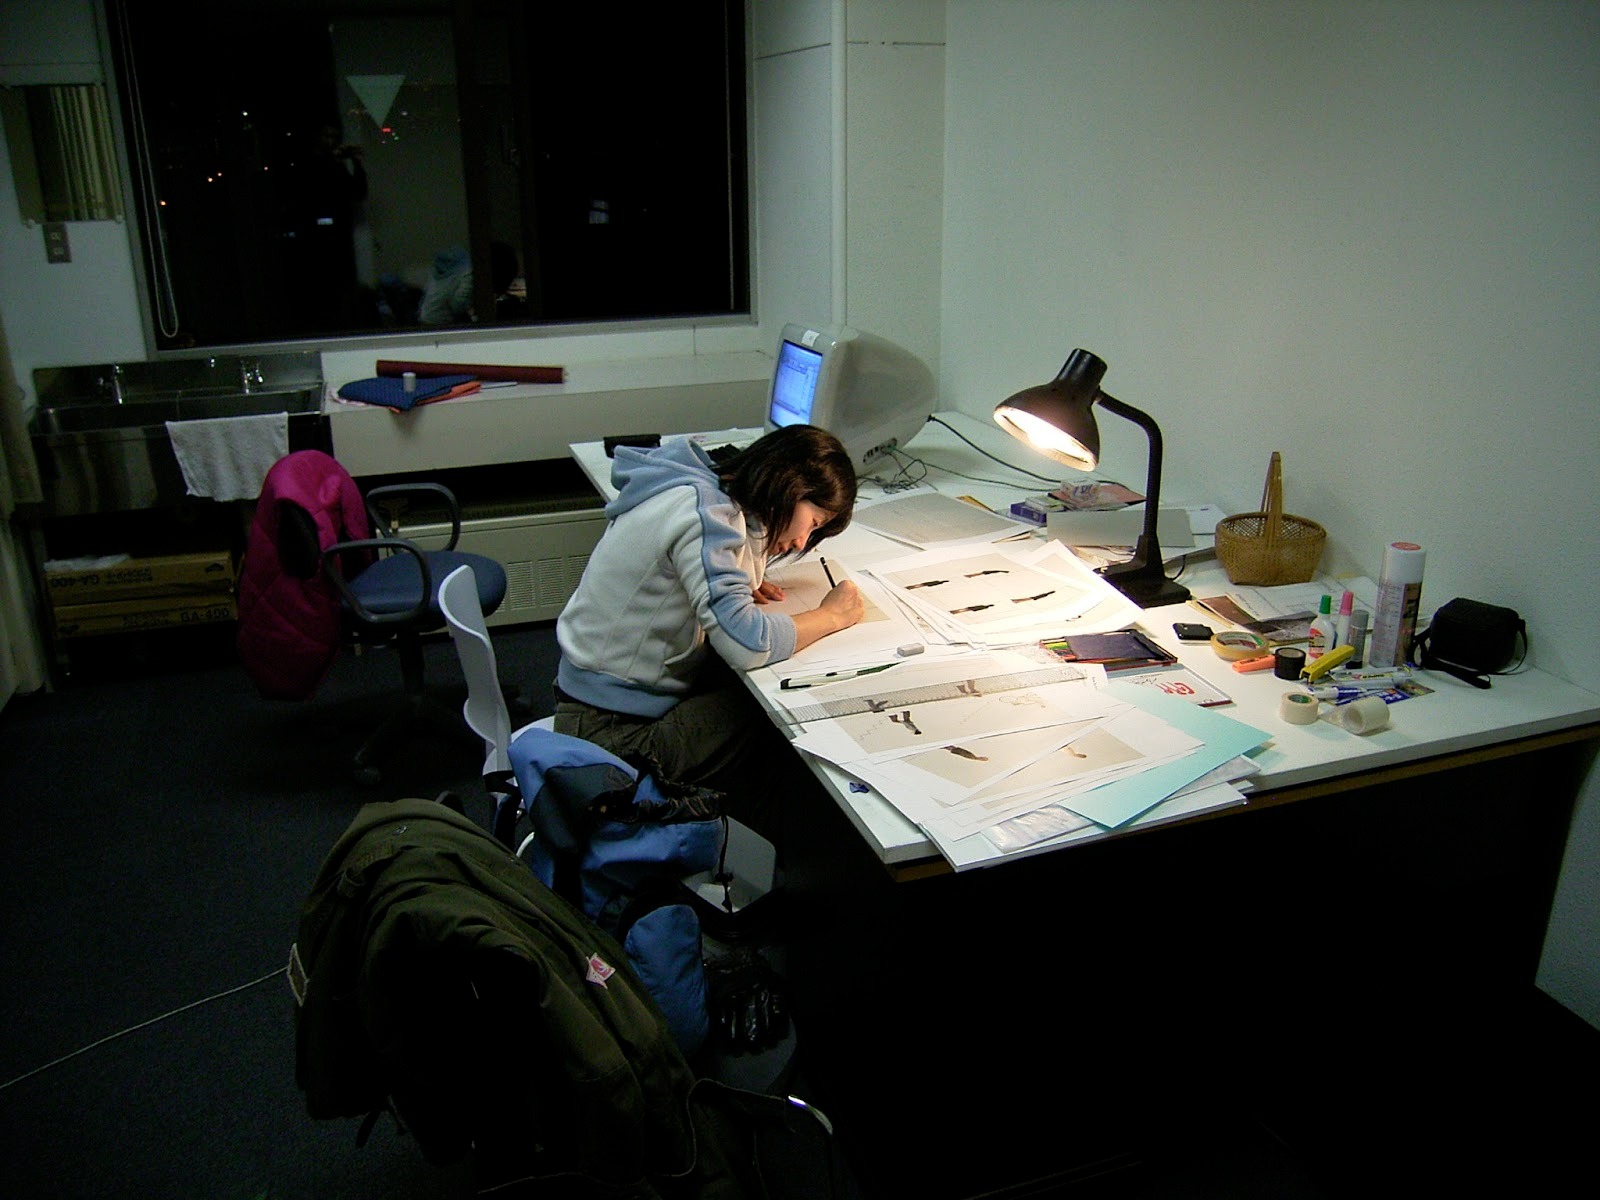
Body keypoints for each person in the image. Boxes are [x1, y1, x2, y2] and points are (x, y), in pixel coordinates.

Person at [553, 424, 864, 838]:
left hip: (592, 700)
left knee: (747, 693)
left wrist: (734, 580)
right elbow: (747, 643)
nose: (801, 541)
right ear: (789, 485)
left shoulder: (693, 484)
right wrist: (831, 616)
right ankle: (775, 854)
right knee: (777, 715)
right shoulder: (708, 516)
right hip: (613, 737)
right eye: (812, 521)